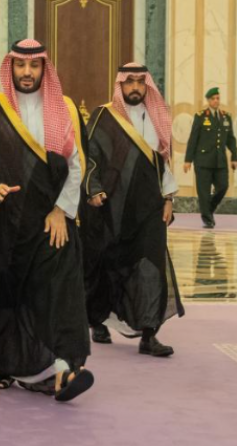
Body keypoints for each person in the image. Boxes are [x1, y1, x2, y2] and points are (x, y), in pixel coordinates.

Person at [0, 39, 94, 402]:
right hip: (8, 224)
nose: (27, 72)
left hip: (53, 222)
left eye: (34, 65)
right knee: (10, 296)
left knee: (58, 294)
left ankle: (63, 368)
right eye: (20, 65)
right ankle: (7, 365)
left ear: (44, 68)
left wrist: (61, 210)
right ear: (10, 67)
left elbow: (76, 166)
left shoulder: (65, 108)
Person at [81, 63, 184, 356]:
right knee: (107, 266)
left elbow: (163, 162)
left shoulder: (157, 116)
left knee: (151, 267)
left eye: (140, 82)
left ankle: (149, 334)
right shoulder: (104, 116)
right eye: (130, 82)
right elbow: (89, 155)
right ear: (120, 84)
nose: (135, 87)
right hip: (111, 207)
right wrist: (93, 188)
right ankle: (98, 320)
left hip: (150, 208)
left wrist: (168, 198)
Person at [184, 87, 237, 229]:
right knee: (204, 192)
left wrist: (234, 156)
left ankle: (208, 209)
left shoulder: (226, 117)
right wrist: (188, 160)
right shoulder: (201, 116)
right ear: (208, 101)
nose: (216, 101)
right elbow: (193, 139)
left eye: (218, 98)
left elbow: (231, 139)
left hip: (220, 161)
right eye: (213, 99)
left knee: (223, 186)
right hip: (203, 161)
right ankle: (208, 219)